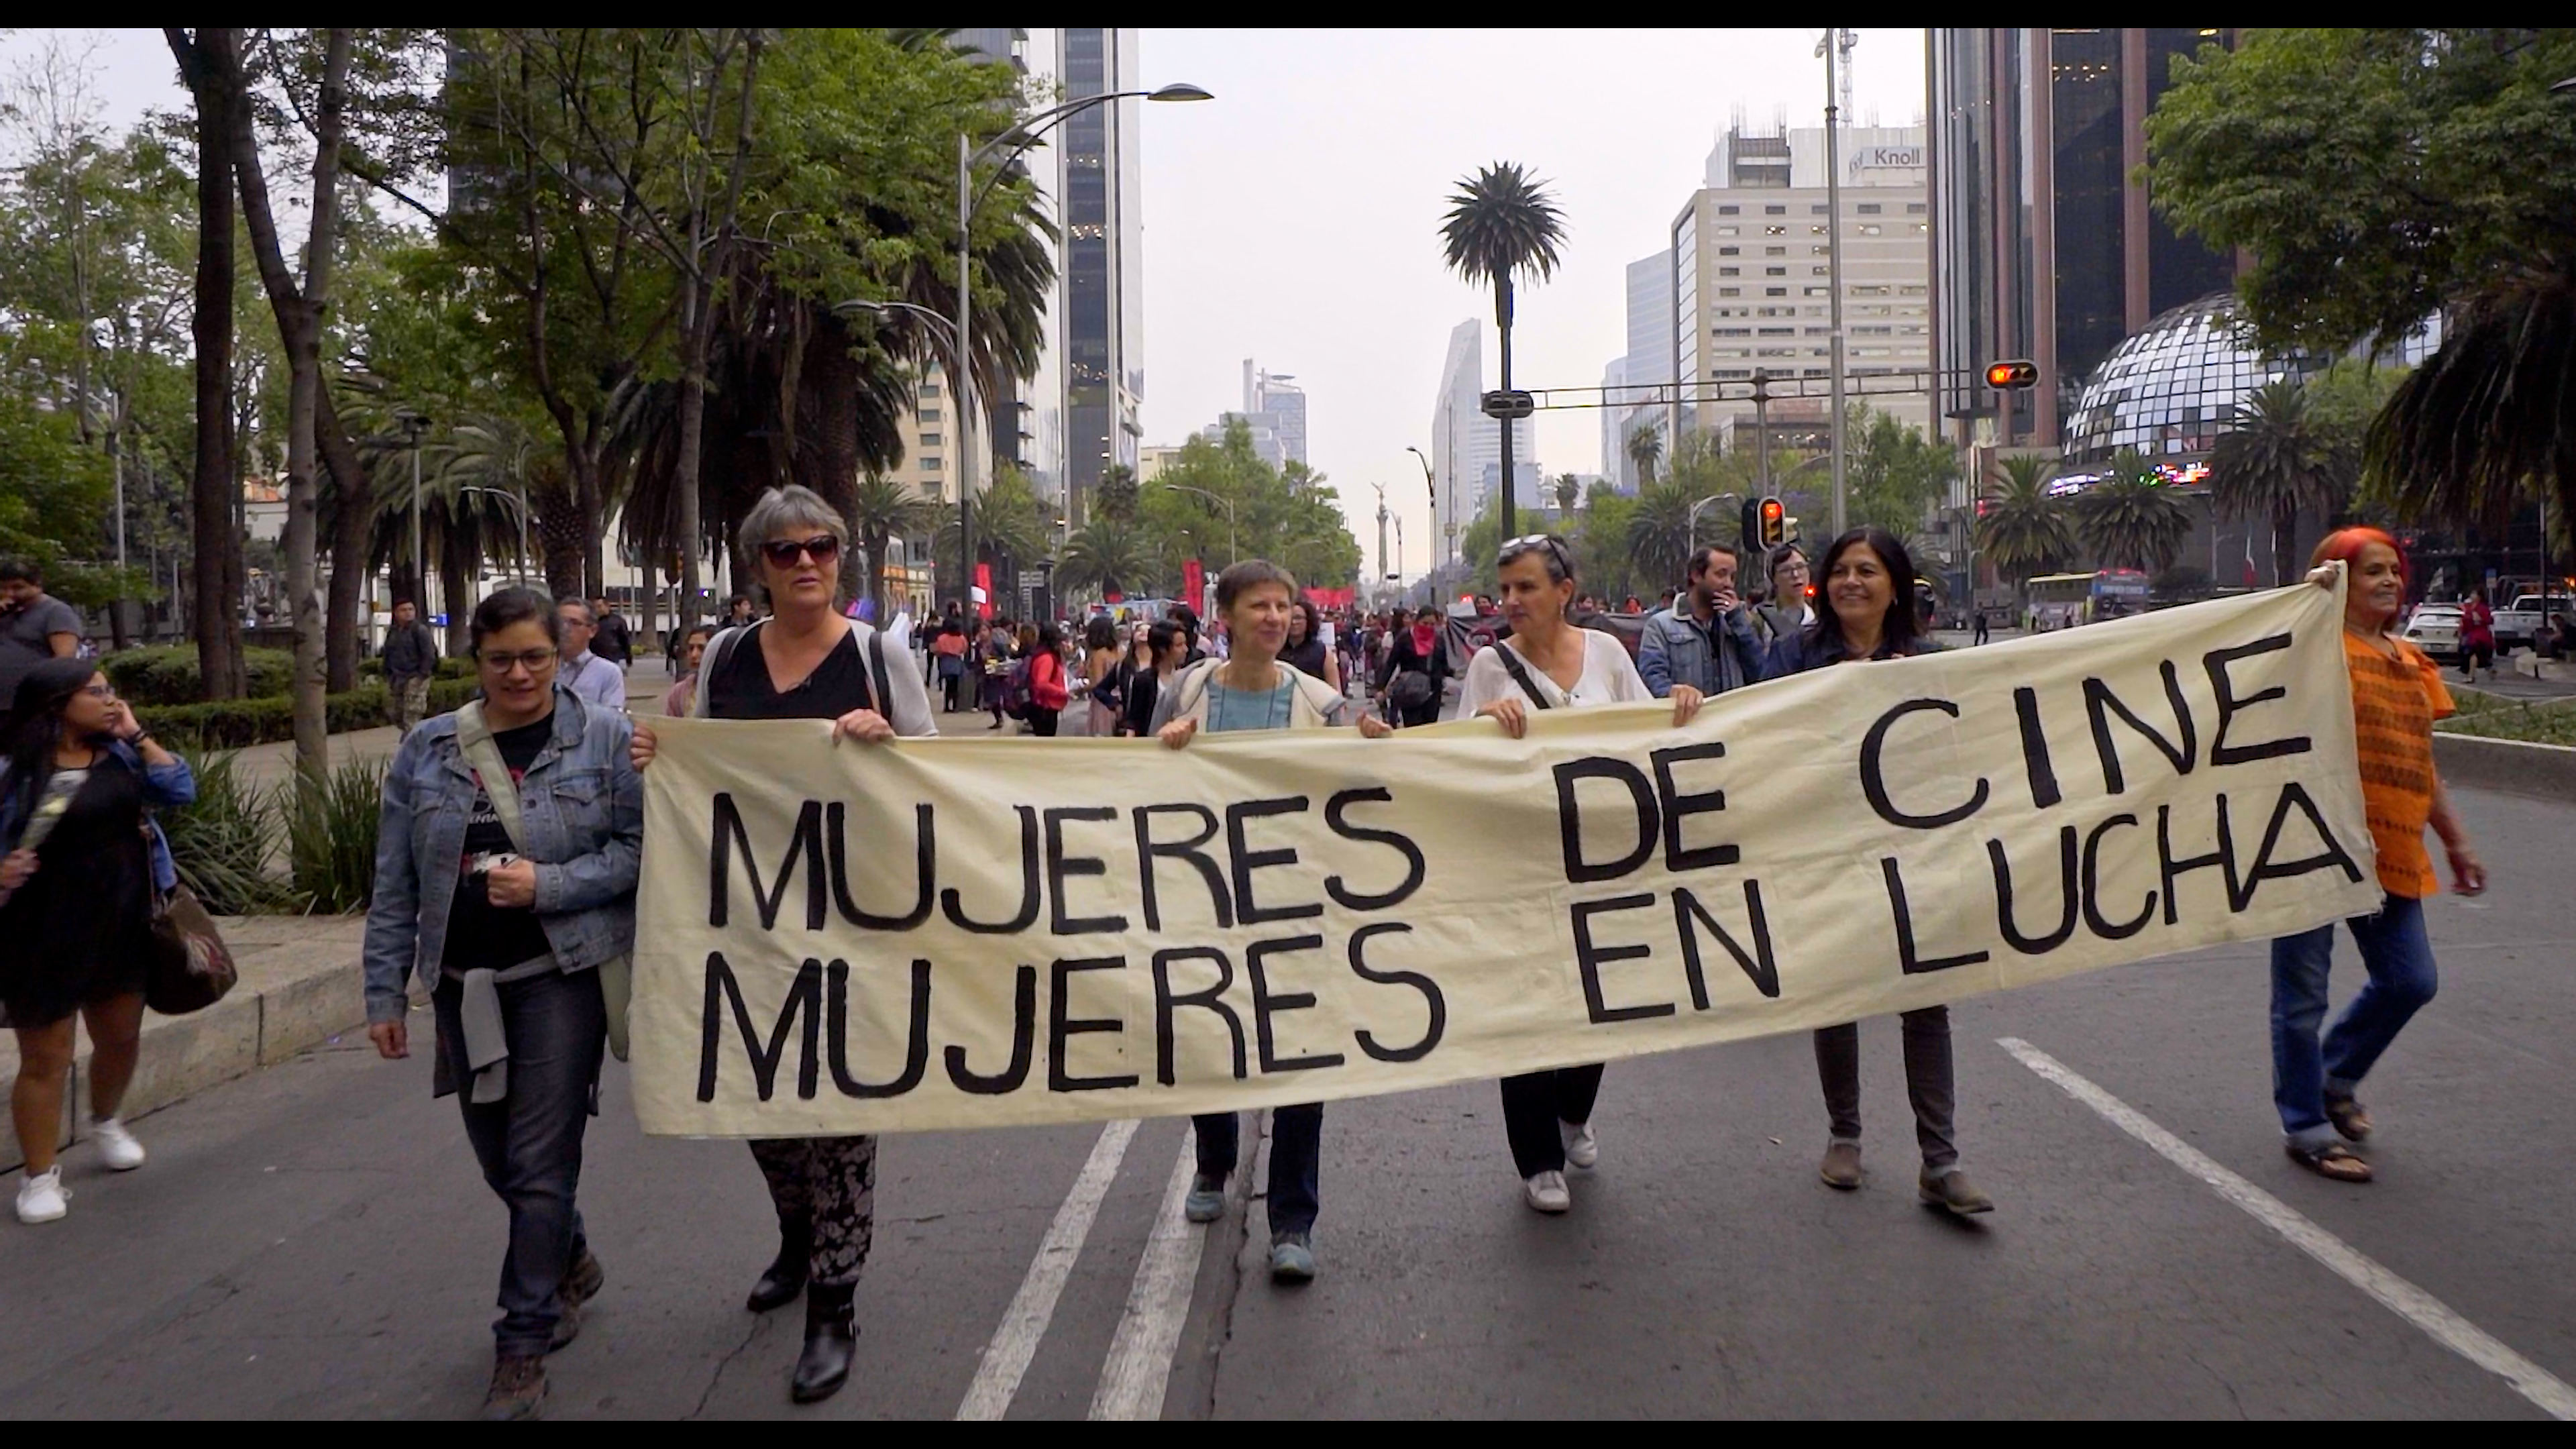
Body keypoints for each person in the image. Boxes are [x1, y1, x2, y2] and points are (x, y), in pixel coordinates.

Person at [630, 484, 938, 1405]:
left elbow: (939, 774)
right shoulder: (724, 657)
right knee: (763, 1104)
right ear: (758, 566)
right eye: (784, 550)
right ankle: (799, 1240)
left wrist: (890, 742)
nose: (806, 562)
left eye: (821, 546)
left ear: (841, 556)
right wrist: (658, 753)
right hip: (745, 927)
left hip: (856, 924)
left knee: (840, 1112)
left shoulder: (881, 656)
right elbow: (690, 757)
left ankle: (834, 1305)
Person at [358, 586, 639, 1418]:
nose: (519, 673)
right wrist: (384, 991)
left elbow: (638, 852)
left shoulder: (606, 740)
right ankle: (572, 1256)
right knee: (501, 1165)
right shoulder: (428, 749)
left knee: (540, 1164)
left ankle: (522, 1344)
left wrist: (548, 885)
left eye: (536, 658)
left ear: (563, 656)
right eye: (500, 659)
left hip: (560, 979)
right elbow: (395, 880)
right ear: (474, 660)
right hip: (458, 985)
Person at [1152, 561, 1392, 1283]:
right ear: (1224, 615)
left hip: (1296, 901)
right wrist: (1165, 748)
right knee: (1207, 1037)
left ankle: (1293, 1217)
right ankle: (1215, 1161)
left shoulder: (1319, 703)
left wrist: (1376, 744)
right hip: (1205, 899)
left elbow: (1348, 785)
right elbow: (1132, 788)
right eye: (1259, 605)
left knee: (1302, 1054)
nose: (1275, 617)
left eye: (1284, 606)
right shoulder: (1186, 692)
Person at [1456, 535, 1703, 1215]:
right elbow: (1450, 760)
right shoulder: (1488, 665)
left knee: (1601, 995)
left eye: (1526, 587)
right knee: (1528, 1004)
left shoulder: (1609, 655)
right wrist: (1482, 724)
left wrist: (1679, 702)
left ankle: (1573, 1112)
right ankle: (1538, 1161)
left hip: (1602, 860)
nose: (1511, 601)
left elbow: (1645, 731)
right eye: (1504, 589)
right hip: (1521, 865)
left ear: (1565, 591)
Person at [1759, 528, 1992, 1217]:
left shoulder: (1927, 664)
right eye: (1840, 571)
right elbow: (1754, 736)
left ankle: (1941, 1161)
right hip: (1827, 850)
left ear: (1895, 585)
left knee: (1927, 1001)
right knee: (1839, 994)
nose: (1850, 582)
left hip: (1916, 852)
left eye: (1867, 571)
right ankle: (1845, 1138)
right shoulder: (1793, 657)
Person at [2270, 529, 2485, 1185]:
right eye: (2372, 572)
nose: (2390, 581)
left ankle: (2338, 1075)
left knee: (2410, 980)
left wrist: (2454, 840)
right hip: (2309, 846)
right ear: (2338, 579)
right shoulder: (2311, 652)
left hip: (2388, 848)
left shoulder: (2410, 660)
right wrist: (2305, 609)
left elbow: (2421, 765)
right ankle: (2306, 1124)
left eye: (2395, 570)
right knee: (2301, 996)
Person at [3, 659, 195, 1226]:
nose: (111, 699)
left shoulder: (117, 754)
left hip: (122, 917)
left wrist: (134, 731)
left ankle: (104, 1119)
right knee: (46, 1057)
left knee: (120, 1037)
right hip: (42, 930)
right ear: (57, 704)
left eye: (112, 690)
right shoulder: (14, 772)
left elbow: (180, 789)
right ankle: (39, 1177)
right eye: (96, 692)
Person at [1639, 543, 1764, 699]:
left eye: (1732, 577)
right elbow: (1651, 677)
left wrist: (1738, 621)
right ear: (1697, 575)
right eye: (1721, 574)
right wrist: (1674, 693)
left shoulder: (1737, 623)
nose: (1728, 584)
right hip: (1687, 720)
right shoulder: (1661, 625)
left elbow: (1760, 673)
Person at [0, 559, 84, 708]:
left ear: (37, 585)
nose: (10, 594)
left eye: (18, 588)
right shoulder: (6, 612)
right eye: (4, 588)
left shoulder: (56, 612)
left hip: (30, 705)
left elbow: (64, 662)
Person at [1375, 606, 1448, 728]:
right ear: (1417, 621)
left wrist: (1457, 673)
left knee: (1430, 727)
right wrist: (1380, 688)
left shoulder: (1439, 639)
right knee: (1413, 727)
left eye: (1432, 624)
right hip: (1410, 690)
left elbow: (1443, 665)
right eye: (1425, 623)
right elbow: (1391, 663)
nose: (1428, 627)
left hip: (1433, 690)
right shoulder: (1405, 638)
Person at [554, 600, 626, 714]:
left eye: (574, 623)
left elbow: (613, 721)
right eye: (559, 622)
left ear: (592, 631)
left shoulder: (608, 673)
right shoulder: (543, 667)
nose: (565, 629)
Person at [382, 598, 442, 733]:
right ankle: (412, 737)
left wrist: (423, 674)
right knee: (397, 713)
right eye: (404, 610)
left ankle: (413, 743)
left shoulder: (420, 630)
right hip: (397, 678)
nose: (408, 613)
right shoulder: (394, 632)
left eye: (411, 609)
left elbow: (429, 654)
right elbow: (388, 653)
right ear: (396, 613)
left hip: (415, 677)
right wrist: (387, 673)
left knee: (413, 713)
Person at [1751, 544, 1813, 646]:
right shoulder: (1760, 619)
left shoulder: (1821, 615)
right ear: (1773, 578)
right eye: (1786, 570)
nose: (1796, 575)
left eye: (1801, 567)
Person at [1116, 621, 1169, 737]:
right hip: (1137, 726)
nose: (1143, 633)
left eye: (1147, 630)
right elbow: (1102, 688)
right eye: (1139, 630)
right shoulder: (1125, 665)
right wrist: (1115, 705)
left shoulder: (1162, 665)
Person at [1283, 598, 1344, 695]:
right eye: (1290, 618)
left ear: (1308, 620)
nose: (1294, 622)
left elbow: (1335, 692)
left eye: (1298, 618)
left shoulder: (1322, 652)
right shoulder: (1274, 651)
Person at [661, 623, 717, 717]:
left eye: (702, 649)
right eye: (691, 649)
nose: (694, 655)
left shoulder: (729, 691)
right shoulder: (678, 693)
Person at [1081, 616, 1124, 736]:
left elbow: (1097, 684)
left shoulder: (1098, 655)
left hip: (1102, 704)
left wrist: (1080, 689)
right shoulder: (1121, 652)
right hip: (1119, 700)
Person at [1025, 622, 1071, 736]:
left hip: (1043, 707)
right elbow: (1042, 684)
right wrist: (1063, 693)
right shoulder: (1047, 659)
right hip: (1046, 708)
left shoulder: (1042, 656)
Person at [934, 609, 971, 713]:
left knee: (948, 685)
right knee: (955, 685)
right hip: (956, 661)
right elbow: (965, 649)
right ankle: (955, 705)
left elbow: (938, 649)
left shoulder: (942, 638)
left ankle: (946, 705)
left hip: (945, 660)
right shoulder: (961, 638)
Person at [2457, 586, 2495, 684]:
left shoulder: (2483, 608)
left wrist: (2480, 620)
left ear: (2479, 597)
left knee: (2473, 653)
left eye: (2474, 594)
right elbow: (2466, 621)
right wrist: (2462, 628)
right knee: (2481, 657)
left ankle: (2471, 676)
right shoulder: (2469, 608)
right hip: (2471, 635)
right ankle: (2490, 669)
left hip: (2480, 636)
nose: (2472, 596)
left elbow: (2489, 621)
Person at [588, 596, 633, 669]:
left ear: (607, 606)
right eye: (595, 607)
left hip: (615, 658)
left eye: (599, 606)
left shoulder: (618, 621)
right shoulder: (592, 622)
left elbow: (625, 640)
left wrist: (628, 658)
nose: (597, 609)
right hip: (596, 658)